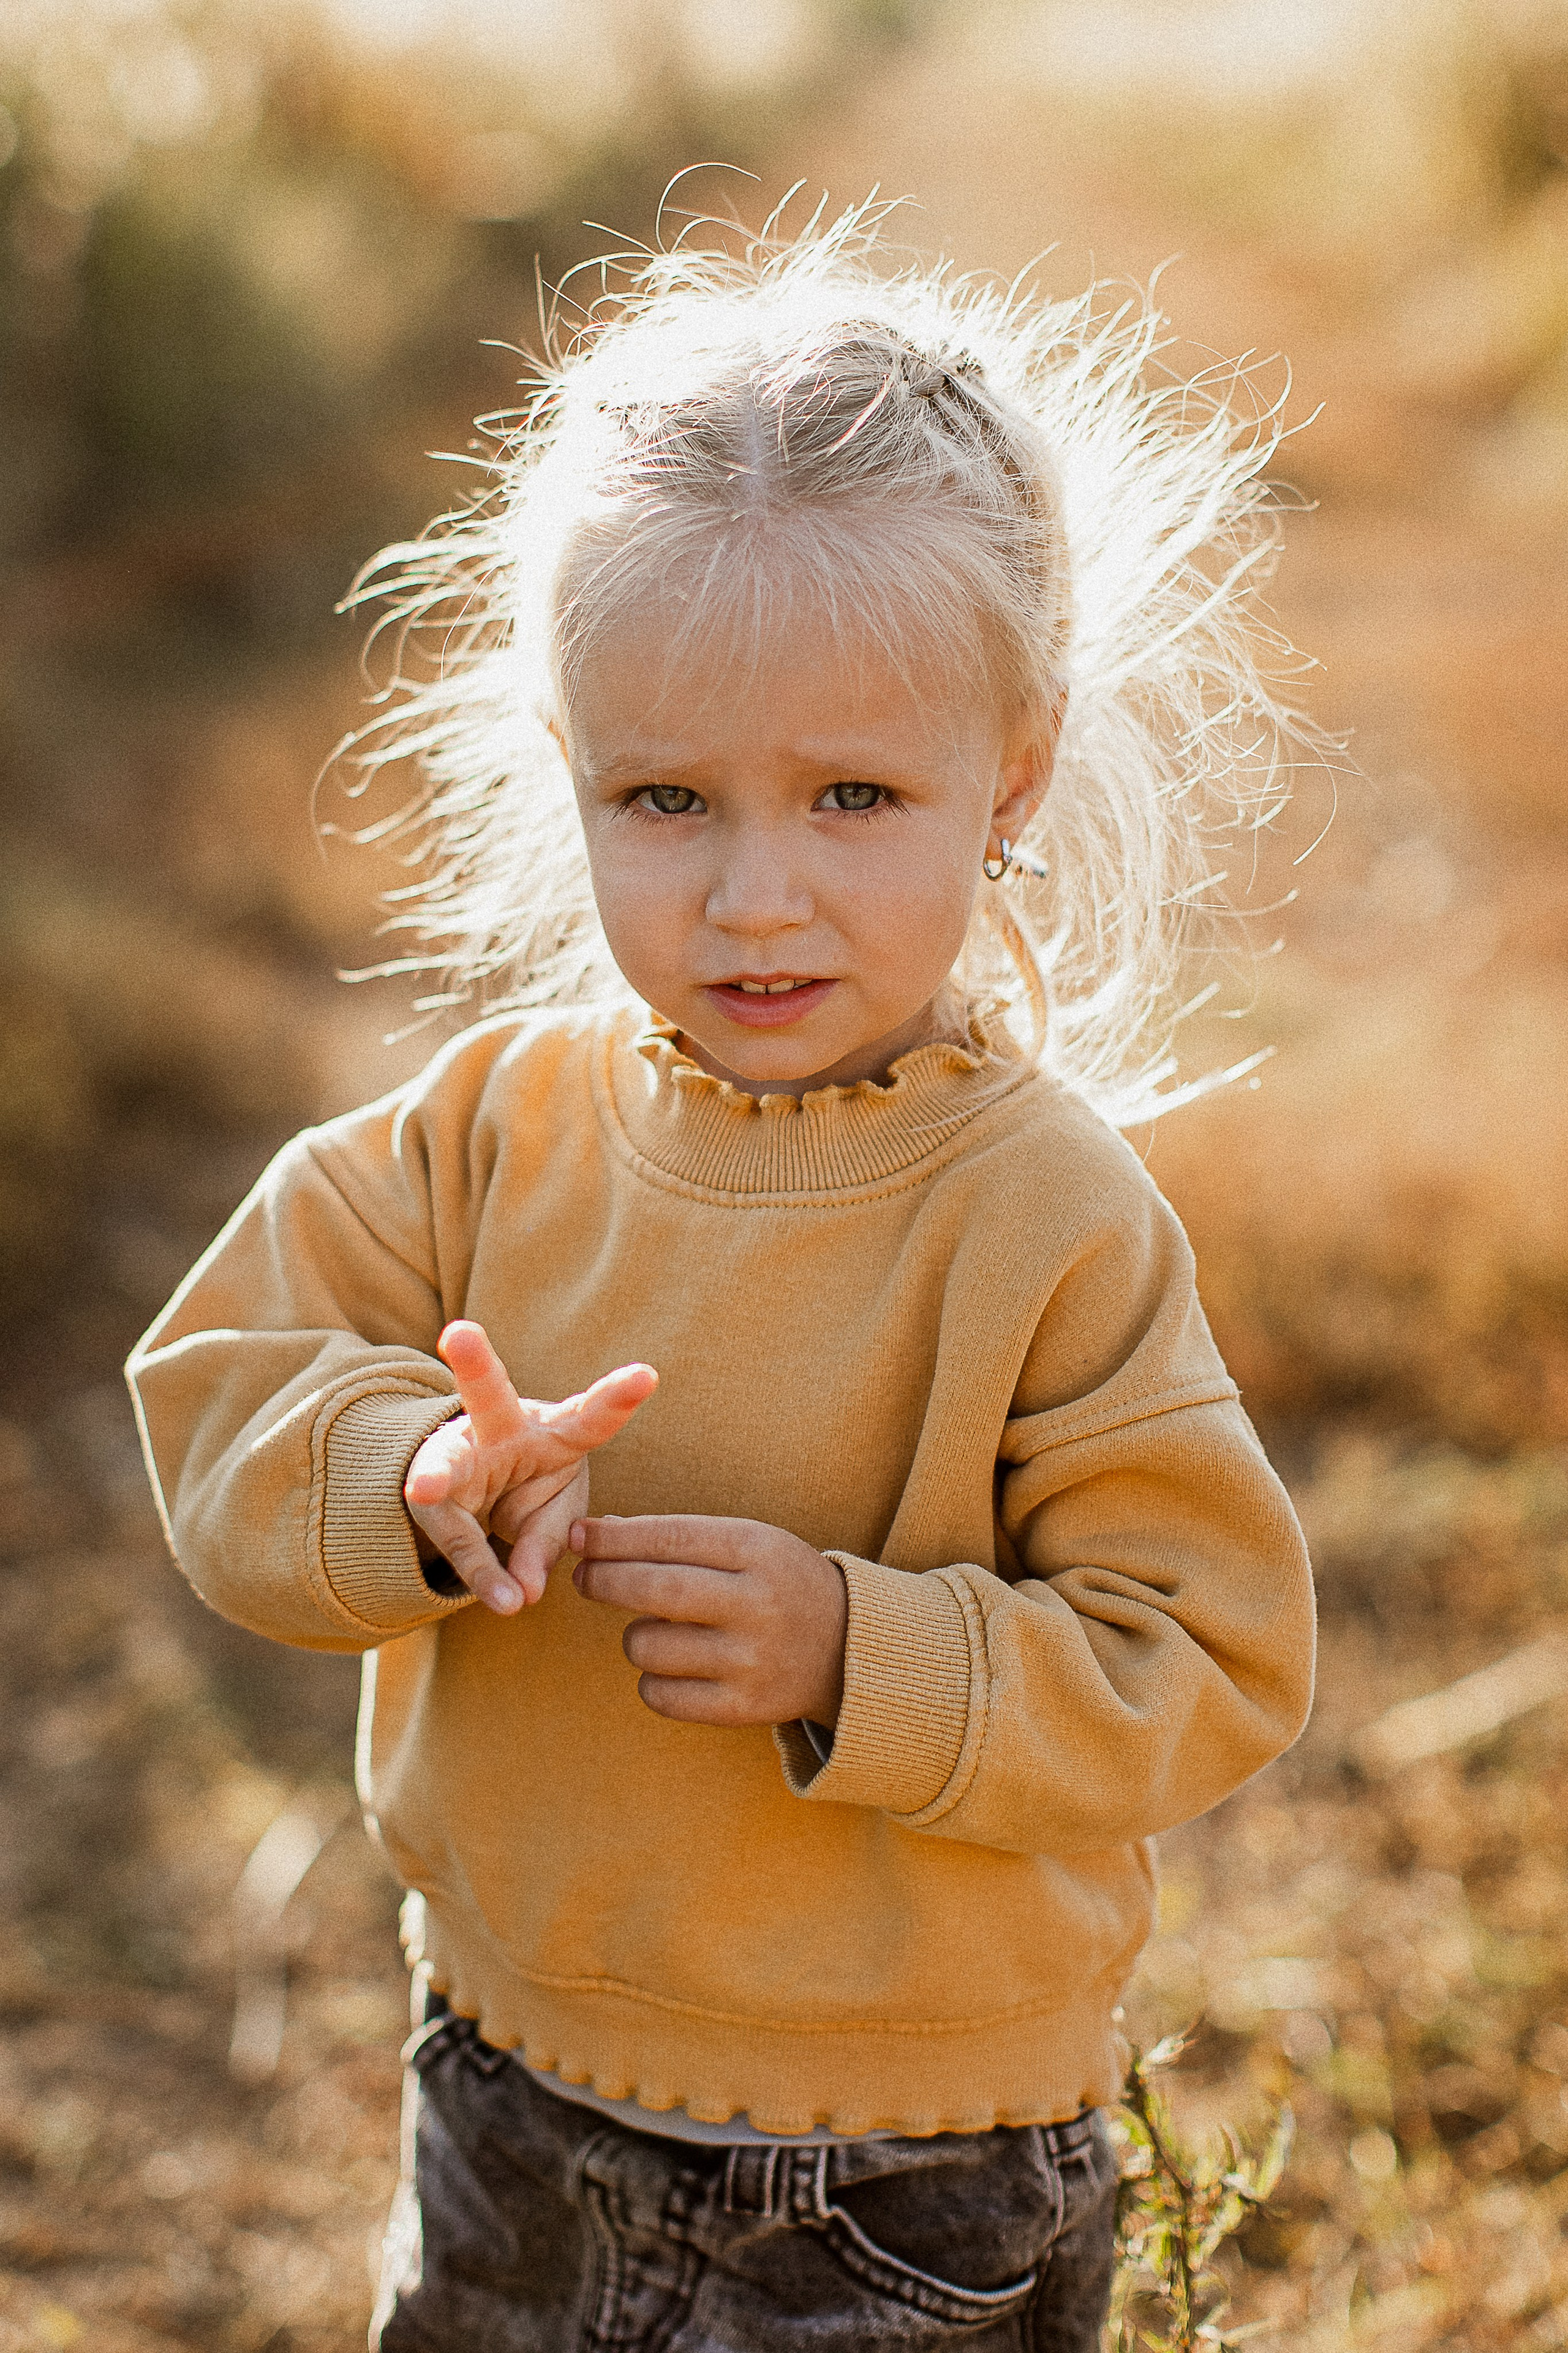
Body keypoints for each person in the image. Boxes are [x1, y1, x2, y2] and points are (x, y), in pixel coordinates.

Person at [126, 197, 1316, 2352]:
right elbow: (221, 1377)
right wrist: (405, 1476)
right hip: (500, 2090)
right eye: (665, 797)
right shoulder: (492, 1126)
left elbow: (1210, 1648)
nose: (756, 897)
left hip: (901, 2175)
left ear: (1011, 774)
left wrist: (862, 1649)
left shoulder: (1040, 1212)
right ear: (567, 767)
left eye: (855, 793)